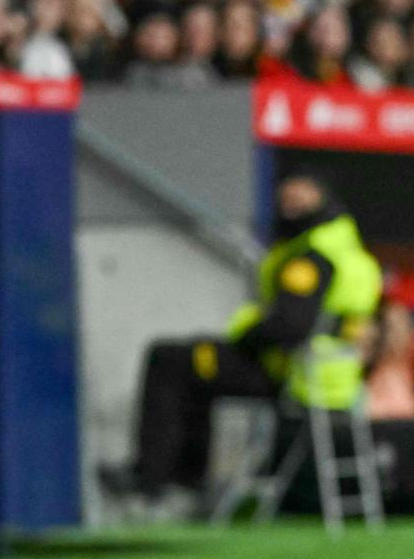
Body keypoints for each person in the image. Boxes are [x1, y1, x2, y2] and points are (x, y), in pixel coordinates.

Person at [102, 176, 382, 504]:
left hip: (295, 375)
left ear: (323, 200)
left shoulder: (311, 257)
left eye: (299, 201)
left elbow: (290, 327)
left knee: (170, 360)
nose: (289, 209)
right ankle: (184, 474)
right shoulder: (352, 253)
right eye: (285, 200)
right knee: (190, 361)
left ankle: (158, 475)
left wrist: (246, 337)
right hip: (335, 379)